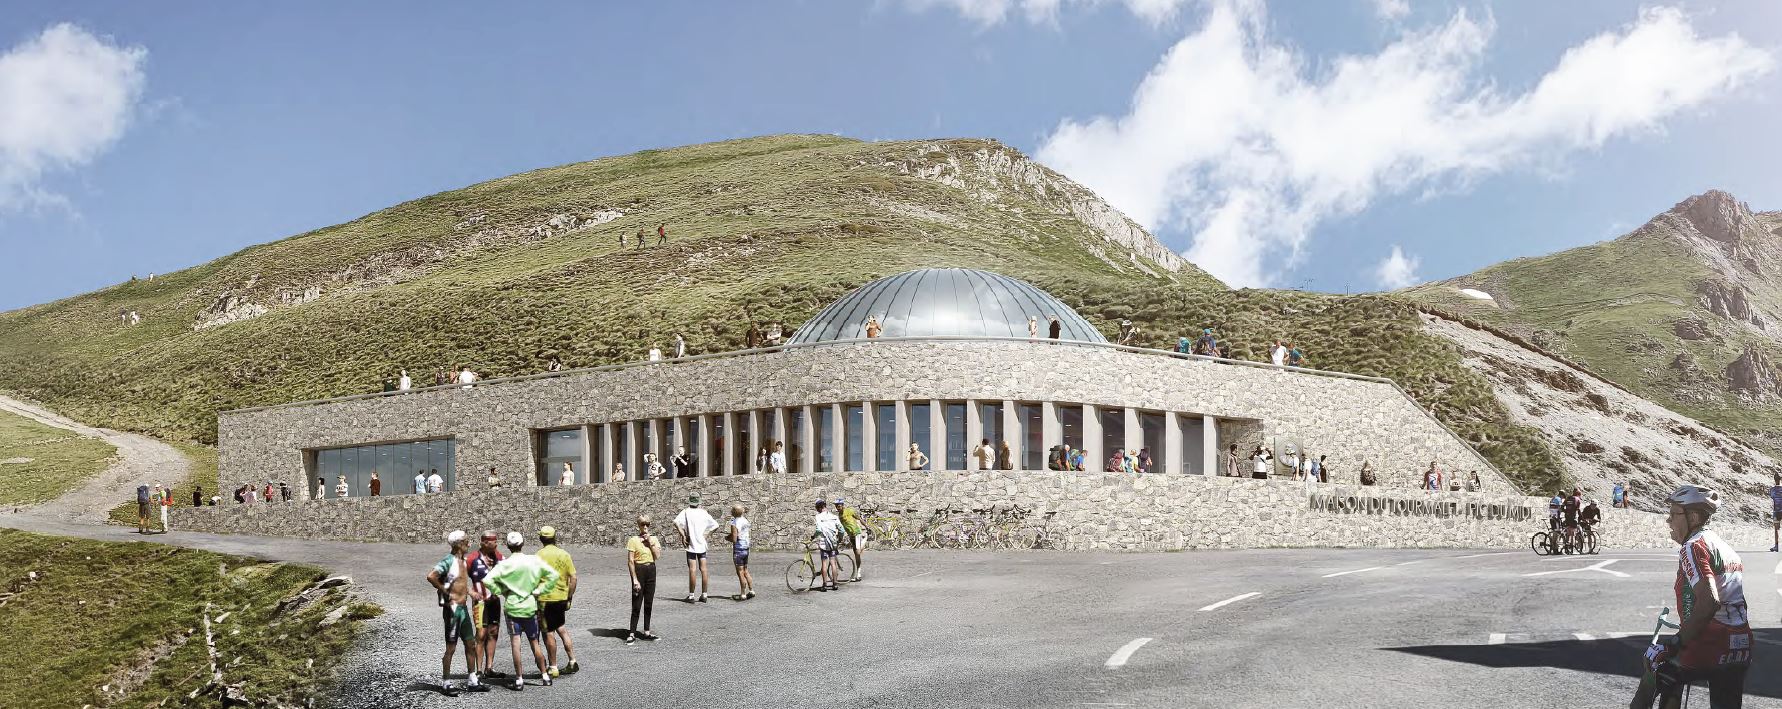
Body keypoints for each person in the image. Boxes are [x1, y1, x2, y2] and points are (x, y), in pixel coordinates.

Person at [1638, 484, 1749, 707]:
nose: (1669, 521)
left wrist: (1675, 642)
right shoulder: (1725, 548)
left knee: (1655, 668)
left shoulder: (1693, 546)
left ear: (1694, 516)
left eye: (1673, 514)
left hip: (1710, 642)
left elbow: (1709, 602)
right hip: (1740, 645)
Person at [484, 531, 558, 690]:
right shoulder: (533, 560)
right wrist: (539, 590)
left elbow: (487, 580)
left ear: (509, 546)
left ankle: (519, 679)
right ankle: (545, 675)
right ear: (522, 544)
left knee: (515, 644)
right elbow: (553, 575)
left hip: (512, 607)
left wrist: (501, 590)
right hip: (530, 606)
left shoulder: (504, 564)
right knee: (534, 642)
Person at [426, 530, 483, 696]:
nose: (468, 543)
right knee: (451, 647)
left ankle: (472, 680)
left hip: (462, 608)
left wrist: (471, 593)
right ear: (458, 544)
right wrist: (445, 590)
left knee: (470, 644)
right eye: (465, 541)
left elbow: (460, 582)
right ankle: (446, 683)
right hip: (452, 609)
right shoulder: (449, 561)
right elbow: (431, 576)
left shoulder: (462, 561)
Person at [534, 526, 579, 679]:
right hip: (561, 598)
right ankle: (572, 660)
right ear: (555, 537)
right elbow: (573, 578)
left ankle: (553, 667)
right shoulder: (564, 554)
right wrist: (569, 596)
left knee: (548, 633)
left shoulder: (538, 556)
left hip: (545, 599)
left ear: (541, 539)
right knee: (561, 628)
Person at [465, 531, 505, 680]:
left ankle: (489, 667)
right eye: (492, 541)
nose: (496, 543)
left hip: (494, 601)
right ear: (484, 543)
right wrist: (470, 591)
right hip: (480, 602)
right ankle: (479, 669)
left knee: (493, 632)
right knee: (481, 634)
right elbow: (461, 576)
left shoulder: (499, 557)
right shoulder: (472, 558)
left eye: (496, 541)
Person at [675, 495, 720, 603]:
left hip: (691, 544)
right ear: (699, 502)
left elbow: (676, 522)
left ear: (689, 501)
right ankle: (704, 594)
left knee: (692, 569)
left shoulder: (685, 512)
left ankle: (691, 596)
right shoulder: (704, 512)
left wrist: (683, 535)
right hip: (701, 544)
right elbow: (716, 525)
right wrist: (707, 535)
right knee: (704, 569)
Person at [625, 515, 663, 644]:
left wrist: (650, 542)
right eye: (643, 525)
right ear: (639, 526)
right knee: (637, 603)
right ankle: (632, 633)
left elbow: (657, 556)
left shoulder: (654, 539)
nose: (645, 527)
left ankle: (646, 631)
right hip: (639, 569)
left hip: (651, 570)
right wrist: (635, 580)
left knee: (648, 602)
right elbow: (630, 561)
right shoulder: (633, 540)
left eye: (647, 525)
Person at [812, 500, 844, 592]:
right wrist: (840, 539)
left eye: (817, 508)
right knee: (833, 563)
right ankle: (835, 584)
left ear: (819, 508)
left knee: (824, 564)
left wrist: (813, 537)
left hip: (824, 544)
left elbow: (818, 530)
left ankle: (824, 585)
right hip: (833, 543)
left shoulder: (818, 517)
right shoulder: (834, 516)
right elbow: (841, 530)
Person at [728, 504, 754, 600]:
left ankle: (743, 594)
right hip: (746, 547)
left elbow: (734, 538)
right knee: (746, 570)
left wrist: (727, 538)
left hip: (739, 549)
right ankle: (751, 590)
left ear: (734, 512)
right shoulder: (745, 520)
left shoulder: (734, 522)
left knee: (740, 572)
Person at [836, 497, 865, 582]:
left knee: (858, 552)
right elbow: (841, 527)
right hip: (851, 536)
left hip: (857, 533)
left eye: (839, 505)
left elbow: (859, 518)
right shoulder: (839, 516)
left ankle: (863, 543)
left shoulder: (850, 510)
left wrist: (866, 526)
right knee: (856, 554)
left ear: (842, 505)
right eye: (836, 506)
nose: (838, 507)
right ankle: (858, 573)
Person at [1770, 472, 1782, 552]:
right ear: (1780, 480)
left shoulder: (1772, 489)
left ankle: (1776, 546)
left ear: (1774, 480)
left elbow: (1772, 496)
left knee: (1776, 529)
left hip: (1776, 511)